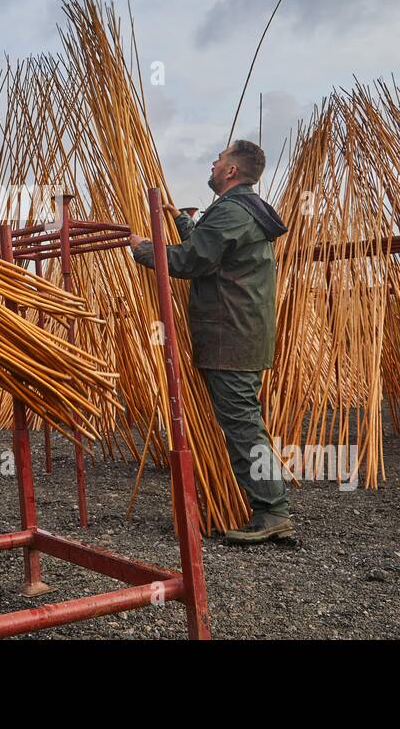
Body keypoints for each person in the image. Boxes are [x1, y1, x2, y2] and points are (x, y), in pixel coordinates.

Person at [128, 139, 294, 544]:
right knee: (243, 420)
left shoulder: (232, 211)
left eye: (219, 159)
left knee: (242, 424)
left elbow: (190, 261)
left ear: (232, 171)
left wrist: (144, 249)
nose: (214, 163)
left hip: (230, 334)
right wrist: (185, 224)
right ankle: (268, 506)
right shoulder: (238, 211)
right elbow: (210, 246)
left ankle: (272, 510)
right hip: (237, 332)